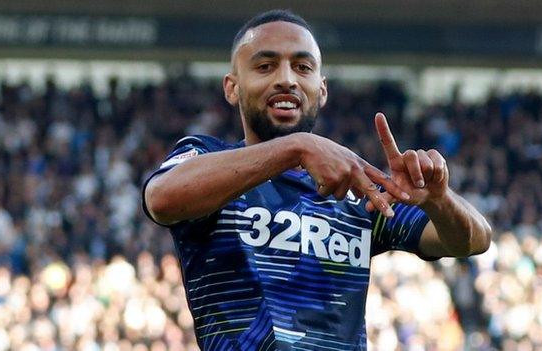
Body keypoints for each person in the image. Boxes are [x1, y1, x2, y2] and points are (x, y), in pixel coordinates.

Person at [143, 9, 492, 350]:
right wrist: (297, 147)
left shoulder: (358, 188)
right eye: (265, 66)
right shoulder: (206, 157)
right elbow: (162, 198)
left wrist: (439, 199)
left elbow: (472, 241)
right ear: (232, 87)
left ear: (321, 89)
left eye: (302, 67)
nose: (286, 79)